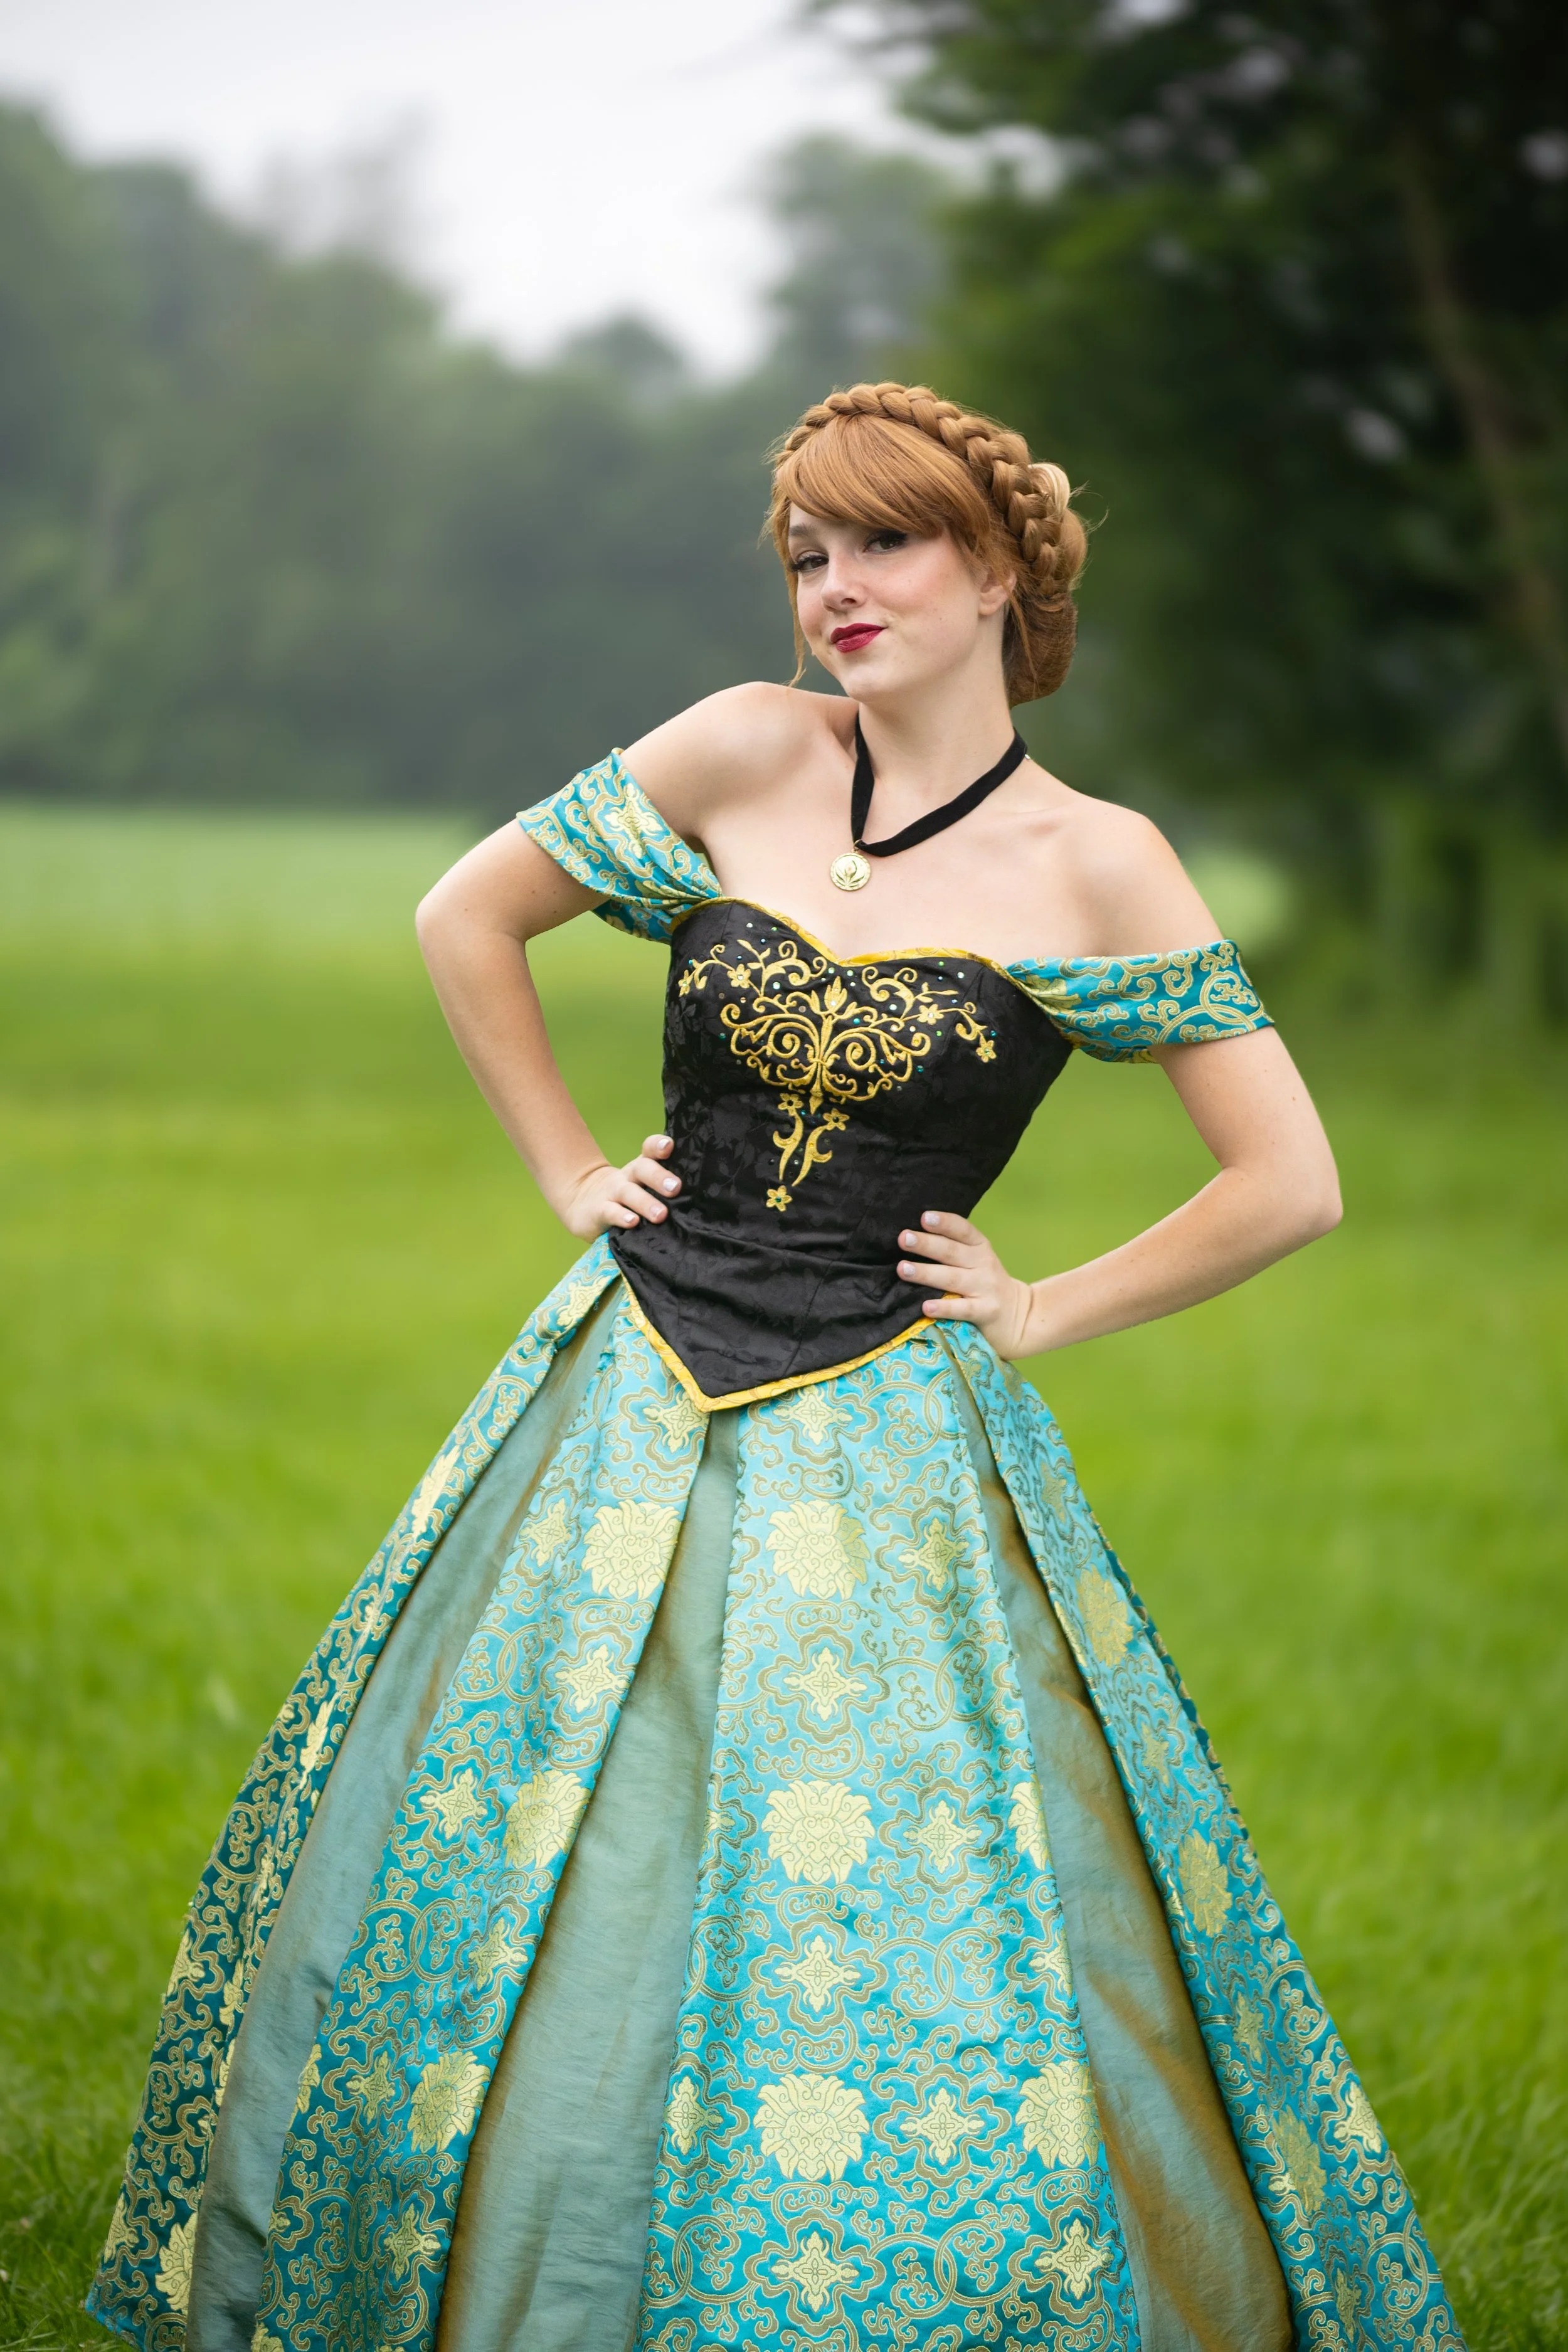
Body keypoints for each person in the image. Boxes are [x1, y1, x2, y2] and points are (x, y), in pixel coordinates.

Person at [90, 382, 1465, 2352]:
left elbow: (1289, 1179)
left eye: (883, 543)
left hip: (883, 1423)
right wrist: (573, 1164)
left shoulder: (1098, 864)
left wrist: (1045, 1303)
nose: (836, 585)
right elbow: (468, 911)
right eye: (809, 551)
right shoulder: (736, 753)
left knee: (886, 1898)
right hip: (622, 1380)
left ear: (996, 570)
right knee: (533, 1832)